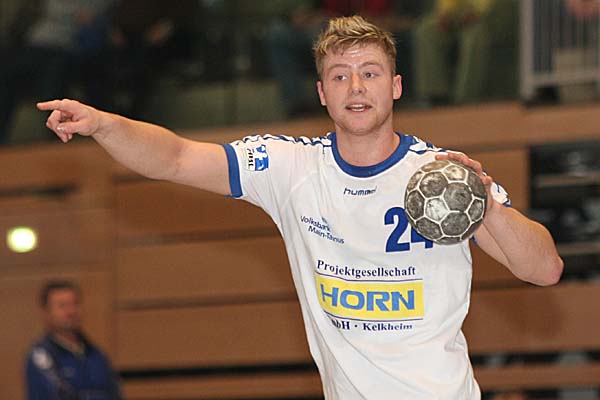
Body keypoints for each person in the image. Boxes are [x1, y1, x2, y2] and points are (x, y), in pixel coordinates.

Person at [37, 16, 563, 399]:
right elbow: (174, 158)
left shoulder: (443, 177)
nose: (356, 87)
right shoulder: (290, 168)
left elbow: (544, 269)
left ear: (396, 86)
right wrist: (105, 124)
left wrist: (486, 205)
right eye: (340, 75)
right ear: (322, 92)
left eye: (371, 73)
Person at [25, 280, 122, 400]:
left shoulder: (96, 353)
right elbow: (57, 395)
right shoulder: (42, 356)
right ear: (46, 313)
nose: (71, 312)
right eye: (62, 306)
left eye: (75, 304)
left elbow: (115, 393)